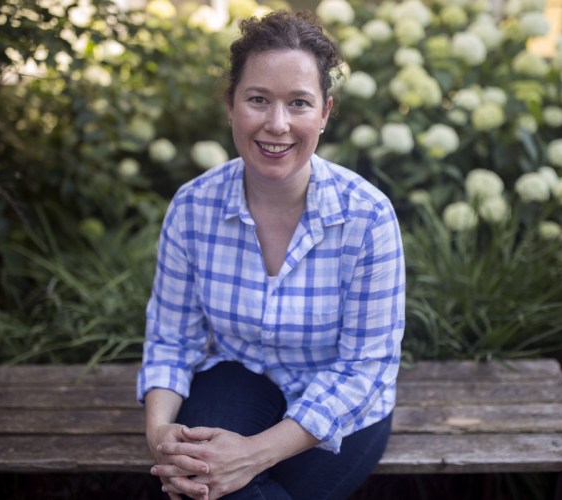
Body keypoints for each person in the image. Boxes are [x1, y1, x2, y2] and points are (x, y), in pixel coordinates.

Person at [137, 10, 405, 500]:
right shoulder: (193, 207)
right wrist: (160, 437)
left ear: (324, 113)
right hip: (237, 378)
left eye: (298, 103)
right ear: (231, 105)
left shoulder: (368, 217)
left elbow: (364, 369)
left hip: (338, 412)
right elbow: (171, 341)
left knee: (218, 490)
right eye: (258, 99)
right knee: (198, 476)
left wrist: (255, 453)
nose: (276, 124)